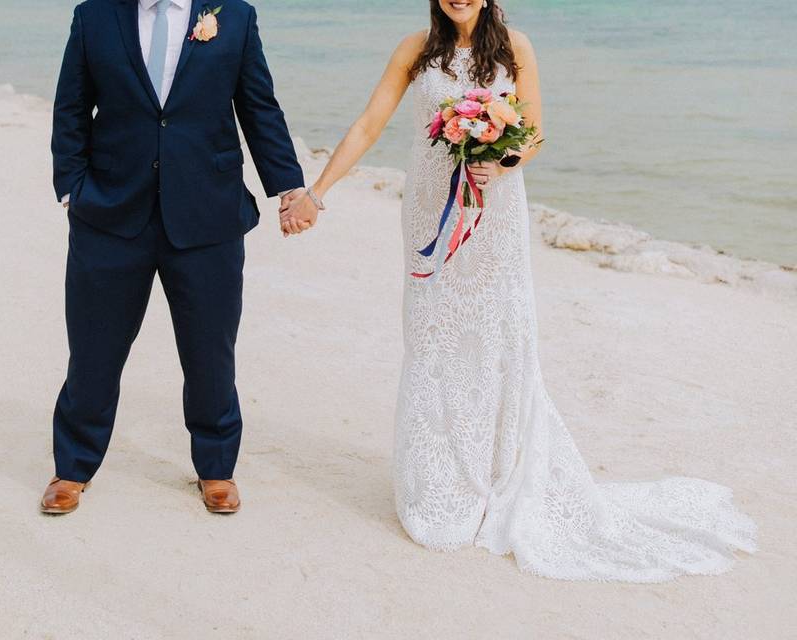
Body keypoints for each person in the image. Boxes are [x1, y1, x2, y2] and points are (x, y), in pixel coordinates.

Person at [279, 0, 756, 581]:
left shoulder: (515, 47)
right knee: (432, 339)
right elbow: (368, 124)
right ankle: (439, 484)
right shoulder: (414, 50)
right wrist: (317, 192)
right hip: (431, 211)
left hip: (495, 213)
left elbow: (534, 133)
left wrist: (500, 159)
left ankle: (498, 476)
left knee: (496, 337)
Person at [42, 0, 306, 515]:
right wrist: (71, 189)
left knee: (210, 351)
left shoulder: (235, 15)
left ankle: (216, 469)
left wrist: (288, 188)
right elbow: (70, 105)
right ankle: (72, 468)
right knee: (93, 349)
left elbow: (258, 106)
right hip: (111, 213)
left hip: (208, 213)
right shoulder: (95, 15)